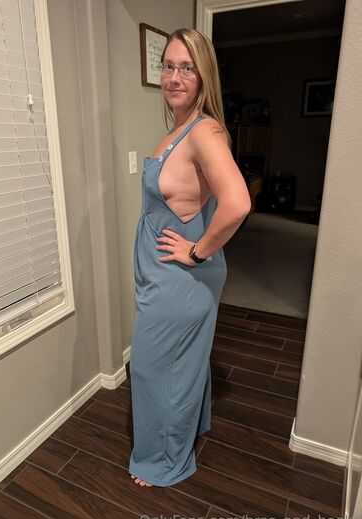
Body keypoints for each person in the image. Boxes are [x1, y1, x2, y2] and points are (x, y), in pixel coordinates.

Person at [129, 28, 251, 488]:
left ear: (204, 77)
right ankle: (185, 429)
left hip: (179, 278)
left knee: (153, 367)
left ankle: (163, 460)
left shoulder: (204, 131)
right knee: (179, 362)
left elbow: (237, 203)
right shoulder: (178, 130)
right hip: (161, 274)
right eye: (168, 66)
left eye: (187, 68)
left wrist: (197, 253)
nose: (174, 77)